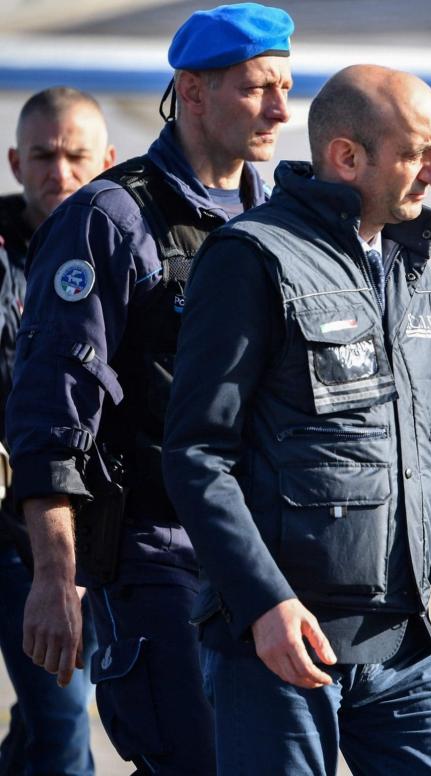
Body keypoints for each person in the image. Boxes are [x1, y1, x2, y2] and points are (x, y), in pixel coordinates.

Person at [161, 64, 431, 775]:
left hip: (403, 642)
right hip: (282, 644)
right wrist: (263, 602)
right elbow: (196, 455)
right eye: (416, 153)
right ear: (345, 157)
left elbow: (399, 439)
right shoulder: (252, 259)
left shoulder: (405, 260)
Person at [6, 5, 296, 772]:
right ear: (192, 93)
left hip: (255, 558)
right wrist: (53, 576)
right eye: (255, 88)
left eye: (284, 87)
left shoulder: (274, 221)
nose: (279, 109)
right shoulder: (110, 217)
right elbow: (54, 408)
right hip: (154, 559)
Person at [0, 85, 115, 776]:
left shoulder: (128, 246)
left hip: (97, 525)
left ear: (106, 160)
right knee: (63, 722)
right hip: (21, 530)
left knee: (53, 719)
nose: (60, 173)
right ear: (16, 161)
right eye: (43, 155)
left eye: (76, 157)